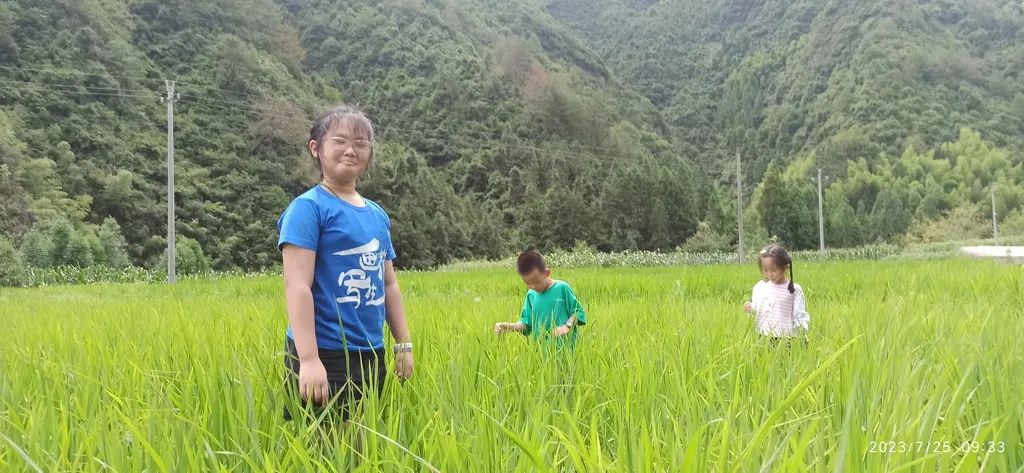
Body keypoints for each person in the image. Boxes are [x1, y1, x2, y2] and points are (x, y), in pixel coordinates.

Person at [277, 104, 413, 421]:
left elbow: (389, 285)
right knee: (322, 442)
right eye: (339, 141)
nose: (351, 150)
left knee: (365, 439)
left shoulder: (377, 215)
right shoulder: (308, 208)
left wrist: (403, 344)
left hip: (371, 352)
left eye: (361, 143)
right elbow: (297, 285)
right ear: (316, 148)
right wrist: (308, 359)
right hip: (324, 351)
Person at [494, 249, 587, 349]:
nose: (533, 287)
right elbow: (526, 324)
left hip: (567, 348)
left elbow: (578, 312)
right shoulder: (531, 295)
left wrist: (567, 326)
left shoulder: (562, 288)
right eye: (528, 284)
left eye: (537, 282)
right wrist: (509, 326)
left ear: (547, 273)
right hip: (542, 351)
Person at [743, 244, 810, 340]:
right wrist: (751, 308)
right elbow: (760, 309)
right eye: (765, 270)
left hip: (786, 338)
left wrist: (801, 334)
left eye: (773, 270)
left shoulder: (793, 289)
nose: (769, 274)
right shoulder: (761, 287)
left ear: (785, 267)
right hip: (763, 336)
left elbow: (799, 315)